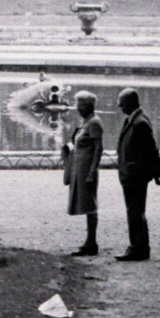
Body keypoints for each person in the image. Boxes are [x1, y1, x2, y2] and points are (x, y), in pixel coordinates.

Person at [115, 88, 160, 261]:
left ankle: (138, 248)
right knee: (134, 210)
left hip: (136, 174)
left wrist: (157, 171)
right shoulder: (134, 119)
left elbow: (151, 149)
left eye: (122, 103)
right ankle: (139, 247)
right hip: (131, 173)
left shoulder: (140, 122)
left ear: (131, 102)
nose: (120, 106)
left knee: (135, 211)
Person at [62, 91, 103, 256]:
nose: (77, 108)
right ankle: (89, 241)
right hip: (80, 168)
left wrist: (92, 172)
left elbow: (98, 149)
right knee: (86, 204)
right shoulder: (86, 122)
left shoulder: (94, 122)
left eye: (79, 104)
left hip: (87, 170)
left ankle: (91, 243)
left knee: (90, 206)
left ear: (87, 106)